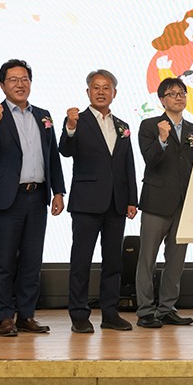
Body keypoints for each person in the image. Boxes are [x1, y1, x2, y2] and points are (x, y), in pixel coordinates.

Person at [0, 59, 66, 337]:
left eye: (24, 79)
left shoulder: (43, 115)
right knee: (3, 261)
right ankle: (5, 316)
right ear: (2, 85)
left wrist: (58, 191)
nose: (20, 84)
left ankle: (27, 315)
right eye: (13, 79)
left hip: (37, 196)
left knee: (32, 260)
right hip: (7, 198)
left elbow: (52, 156)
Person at [59, 69, 138, 334]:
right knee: (81, 260)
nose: (101, 92)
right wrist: (70, 127)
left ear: (114, 93)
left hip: (116, 203)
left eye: (106, 87)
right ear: (88, 92)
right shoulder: (76, 120)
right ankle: (79, 315)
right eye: (96, 87)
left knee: (113, 262)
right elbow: (65, 150)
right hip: (86, 202)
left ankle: (110, 313)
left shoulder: (122, 126)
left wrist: (132, 200)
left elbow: (128, 164)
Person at [134, 78, 193, 328]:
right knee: (147, 259)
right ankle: (145, 311)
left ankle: (166, 309)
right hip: (157, 202)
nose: (178, 97)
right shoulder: (149, 125)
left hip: (184, 203)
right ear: (162, 99)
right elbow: (151, 160)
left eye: (182, 93)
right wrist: (162, 139)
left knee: (176, 260)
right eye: (172, 93)